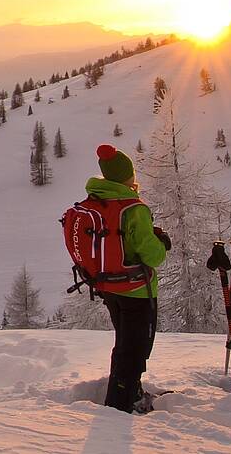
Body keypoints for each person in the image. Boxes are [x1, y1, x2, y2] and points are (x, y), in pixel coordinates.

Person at [82, 144, 170, 413]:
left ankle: (127, 391)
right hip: (136, 289)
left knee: (125, 343)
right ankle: (121, 403)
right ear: (127, 176)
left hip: (109, 286)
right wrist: (161, 243)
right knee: (135, 348)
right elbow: (151, 255)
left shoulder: (98, 199)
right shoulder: (133, 207)